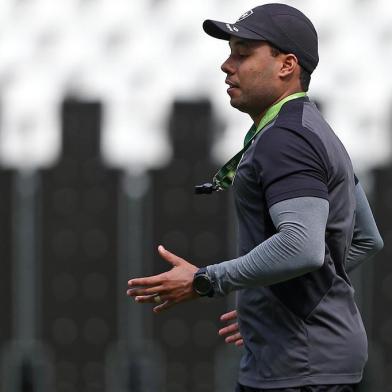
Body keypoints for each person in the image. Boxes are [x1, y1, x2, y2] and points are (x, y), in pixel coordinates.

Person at [127, 4, 384, 391]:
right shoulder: (313, 129)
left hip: (298, 369)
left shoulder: (286, 140)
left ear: (286, 66)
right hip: (314, 362)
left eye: (243, 53)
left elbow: (302, 245)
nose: (227, 65)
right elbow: (366, 238)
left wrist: (204, 280)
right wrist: (272, 299)